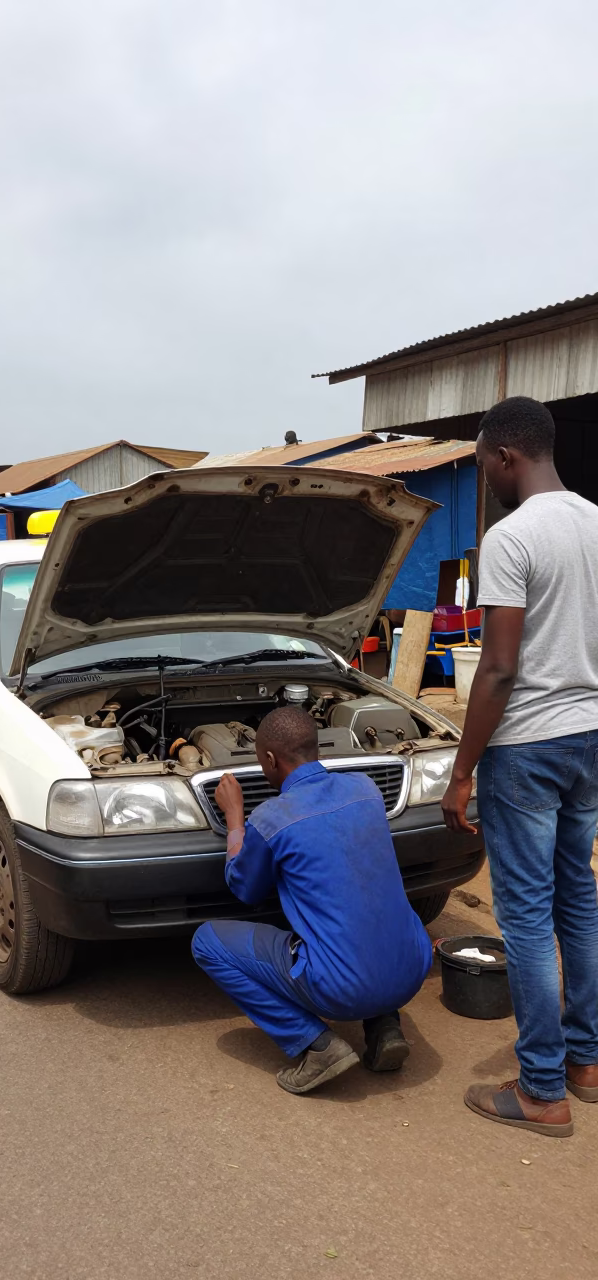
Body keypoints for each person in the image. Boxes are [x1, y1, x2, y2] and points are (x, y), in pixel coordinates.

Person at [442, 395, 598, 1139]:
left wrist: (462, 770)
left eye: (480, 465)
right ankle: (587, 1063)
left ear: (506, 456)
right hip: (590, 738)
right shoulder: (597, 521)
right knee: (580, 898)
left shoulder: (512, 537)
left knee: (529, 918)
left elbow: (498, 670)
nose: (484, 479)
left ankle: (542, 1089)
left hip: (528, 745)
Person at [192, 705, 433, 1094]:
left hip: (340, 988)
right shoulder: (366, 790)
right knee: (361, 906)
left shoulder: (271, 818)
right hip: (412, 968)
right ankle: (385, 1026)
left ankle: (317, 1045)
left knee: (206, 941)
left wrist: (235, 820)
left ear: (269, 759)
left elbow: (246, 890)